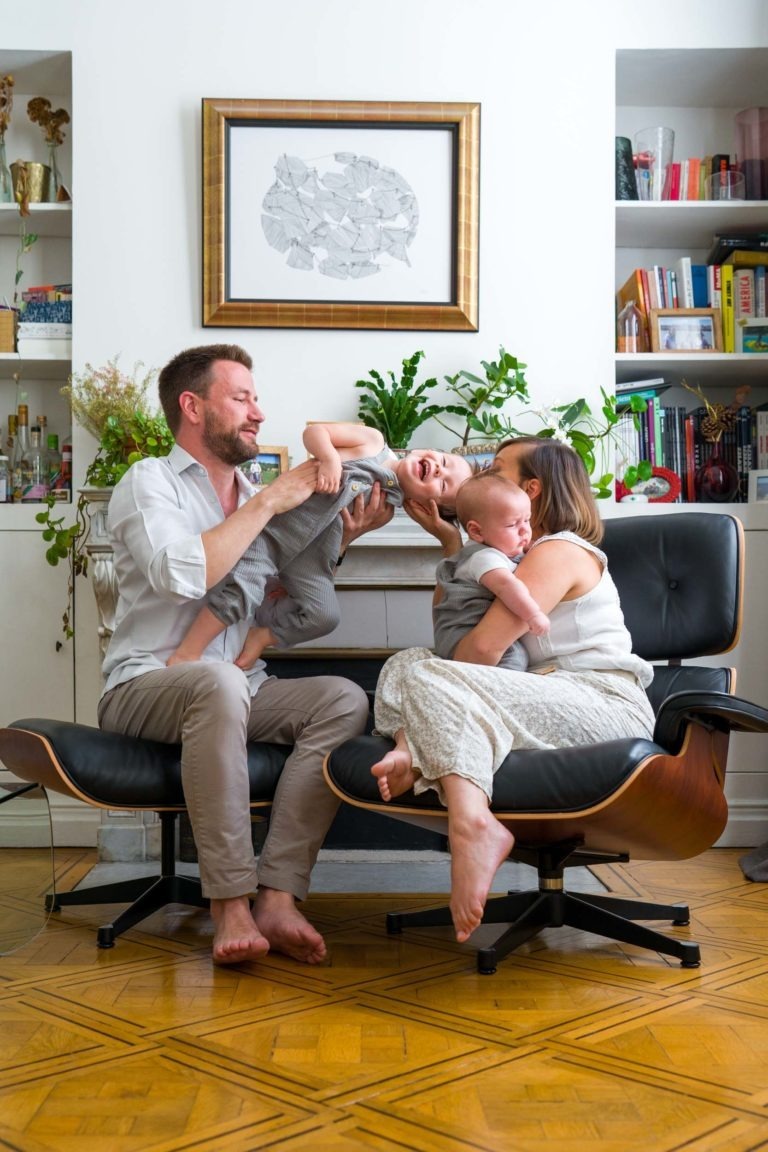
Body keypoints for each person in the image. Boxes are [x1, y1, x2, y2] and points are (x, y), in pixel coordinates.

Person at [97, 344, 392, 967]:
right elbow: (183, 573)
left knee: (341, 698)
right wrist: (269, 503)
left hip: (236, 683)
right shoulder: (148, 481)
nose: (258, 412)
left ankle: (278, 897)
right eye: (241, 398)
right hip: (147, 683)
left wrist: (340, 539)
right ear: (193, 406)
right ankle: (229, 901)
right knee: (217, 683)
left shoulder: (260, 491)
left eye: (257, 399)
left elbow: (273, 597)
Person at [370, 435, 656, 945]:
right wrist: (454, 546)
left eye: (496, 469)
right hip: (543, 695)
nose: (481, 473)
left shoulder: (557, 549)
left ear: (531, 489)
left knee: (424, 672)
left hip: (604, 705)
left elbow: (478, 653)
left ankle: (470, 820)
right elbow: (450, 631)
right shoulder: (510, 557)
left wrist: (435, 686)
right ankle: (412, 746)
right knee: (408, 662)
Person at [168, 420, 475, 667]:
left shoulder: (386, 510)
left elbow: (341, 536)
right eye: (444, 460)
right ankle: (187, 652)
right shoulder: (373, 444)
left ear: (428, 506)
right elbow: (315, 431)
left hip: (312, 558)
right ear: (428, 449)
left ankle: (261, 636)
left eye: (443, 484)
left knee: (325, 616)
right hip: (273, 535)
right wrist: (329, 458)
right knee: (242, 590)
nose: (438, 469)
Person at [432, 469, 549, 672]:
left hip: (457, 637)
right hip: (461, 637)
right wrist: (533, 615)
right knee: (515, 656)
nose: (525, 531)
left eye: (527, 520)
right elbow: (508, 586)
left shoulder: (494, 549)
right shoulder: (483, 558)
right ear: (477, 531)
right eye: (513, 524)